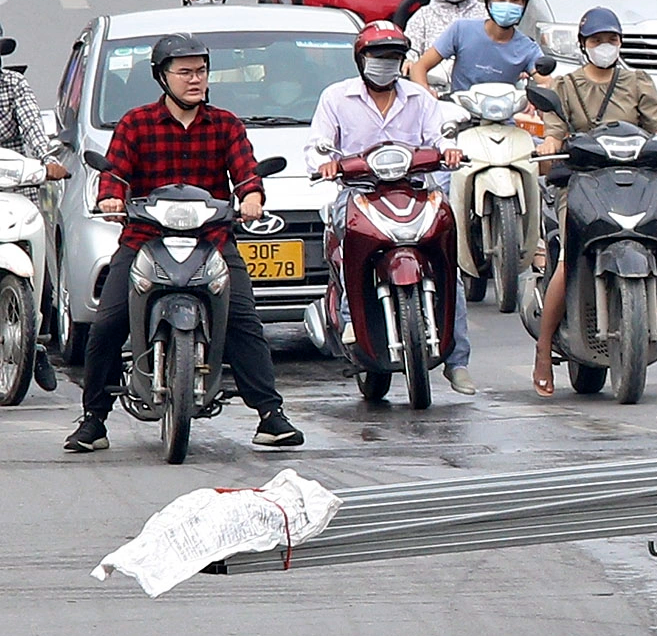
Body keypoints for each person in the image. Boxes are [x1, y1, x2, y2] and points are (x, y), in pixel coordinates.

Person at [64, 34, 302, 452]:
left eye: (202, 71)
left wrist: (251, 198)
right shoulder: (135, 124)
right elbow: (114, 174)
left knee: (245, 320)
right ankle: (94, 419)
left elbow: (246, 173)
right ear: (162, 77)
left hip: (211, 241)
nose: (196, 80)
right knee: (106, 323)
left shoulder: (226, 124)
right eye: (185, 72)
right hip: (145, 239)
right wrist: (111, 197)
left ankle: (270, 415)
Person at [308, 23, 475, 394]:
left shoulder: (419, 98)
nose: (385, 64)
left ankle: (458, 359)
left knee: (449, 261)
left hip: (415, 191)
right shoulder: (336, 98)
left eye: (393, 58)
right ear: (361, 59)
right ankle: (352, 323)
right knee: (347, 248)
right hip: (359, 194)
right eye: (378, 57)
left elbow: (439, 133)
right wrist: (326, 163)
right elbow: (318, 144)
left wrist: (448, 149)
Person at [531, 7, 657, 396]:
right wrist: (552, 142)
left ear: (620, 43)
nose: (604, 47)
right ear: (583, 45)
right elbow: (554, 131)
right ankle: (543, 353)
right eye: (596, 41)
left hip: (635, 183)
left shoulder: (638, 82)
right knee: (564, 261)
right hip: (582, 185)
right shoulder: (565, 86)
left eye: (611, 40)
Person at [0, 23, 67, 393]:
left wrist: (47, 161)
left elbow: (34, 133)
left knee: (42, 252)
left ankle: (35, 337)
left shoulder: (14, 85)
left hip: (14, 189)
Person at [412, 0, 544, 95]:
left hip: (505, 114)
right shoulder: (461, 30)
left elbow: (546, 82)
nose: (508, 5)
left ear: (523, 5)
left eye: (515, 1)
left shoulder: (528, 48)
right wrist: (426, 92)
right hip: (458, 112)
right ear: (489, 3)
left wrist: (536, 101)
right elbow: (419, 67)